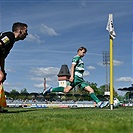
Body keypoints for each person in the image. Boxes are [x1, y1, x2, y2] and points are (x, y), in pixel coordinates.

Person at [43, 46, 109, 108]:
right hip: (76, 78)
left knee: (89, 90)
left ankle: (99, 103)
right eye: (83, 52)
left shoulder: (80, 59)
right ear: (79, 51)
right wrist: (72, 76)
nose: (84, 54)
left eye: (85, 53)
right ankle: (51, 90)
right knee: (67, 90)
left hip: (80, 79)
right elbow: (72, 67)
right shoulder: (76, 58)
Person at [0, 22, 28, 112]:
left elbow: (2, 57)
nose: (27, 34)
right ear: (20, 31)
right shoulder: (9, 36)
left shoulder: (11, 42)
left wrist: (3, 71)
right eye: (25, 31)